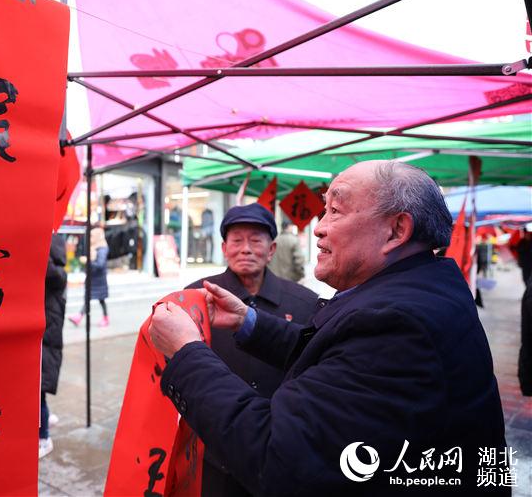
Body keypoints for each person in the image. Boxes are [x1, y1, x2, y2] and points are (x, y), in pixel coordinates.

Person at [150, 161, 507, 496]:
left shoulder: (398, 325)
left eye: (335, 211)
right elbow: (335, 356)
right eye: (324, 209)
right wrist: (250, 323)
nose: (318, 226)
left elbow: (277, 456)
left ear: (397, 230)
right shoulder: (418, 288)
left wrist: (186, 352)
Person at [185, 203, 317, 496]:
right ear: (223, 247)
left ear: (271, 250)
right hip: (211, 450)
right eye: (237, 240)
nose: (245, 249)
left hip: (280, 450)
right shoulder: (195, 297)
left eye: (255, 240)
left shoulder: (305, 303)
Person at [40, 233, 67, 458]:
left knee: (38, 390)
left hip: (46, 339)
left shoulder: (52, 274)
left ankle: (43, 437)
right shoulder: (58, 273)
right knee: (39, 390)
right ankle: (46, 420)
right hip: (48, 338)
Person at [69, 226, 110, 328]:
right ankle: (79, 316)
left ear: (97, 237)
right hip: (93, 278)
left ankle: (105, 318)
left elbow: (100, 264)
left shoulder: (102, 249)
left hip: (99, 279)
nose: (90, 239)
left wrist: (88, 261)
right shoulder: (94, 248)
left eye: (92, 236)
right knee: (88, 298)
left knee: (101, 299)